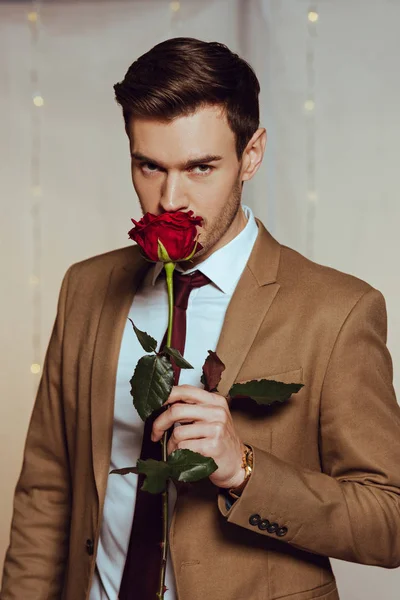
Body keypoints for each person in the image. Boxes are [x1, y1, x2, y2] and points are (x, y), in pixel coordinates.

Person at [1, 36, 400, 600]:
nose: (170, 199)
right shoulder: (86, 288)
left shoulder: (337, 311)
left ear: (252, 155)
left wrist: (245, 469)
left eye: (200, 168)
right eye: (149, 166)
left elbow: (391, 521)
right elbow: (48, 489)